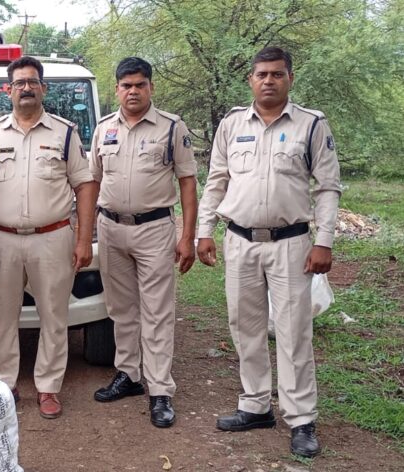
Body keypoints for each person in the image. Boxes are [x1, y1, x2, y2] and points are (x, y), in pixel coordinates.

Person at [197, 46, 341, 458]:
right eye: (261, 74)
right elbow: (217, 180)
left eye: (277, 74)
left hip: (291, 244)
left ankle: (301, 419)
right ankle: (255, 405)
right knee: (245, 326)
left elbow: (327, 187)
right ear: (251, 80)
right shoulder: (231, 124)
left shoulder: (311, 124)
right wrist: (204, 232)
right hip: (239, 241)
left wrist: (324, 240)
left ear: (290, 78)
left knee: (294, 332)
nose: (268, 81)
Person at [0, 56, 97, 419]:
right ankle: (4, 383)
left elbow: (85, 185)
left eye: (33, 82)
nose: (26, 88)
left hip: (53, 237)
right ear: (9, 90)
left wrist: (83, 239)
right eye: (19, 83)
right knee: (2, 316)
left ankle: (48, 387)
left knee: (54, 315)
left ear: (43, 88)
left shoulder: (65, 133)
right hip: (2, 238)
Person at [89, 57, 197, 428]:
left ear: (151, 87)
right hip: (111, 227)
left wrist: (187, 236)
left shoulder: (171, 127)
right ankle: (129, 374)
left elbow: (187, 182)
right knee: (121, 309)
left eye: (139, 85)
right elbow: (93, 181)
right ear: (117, 89)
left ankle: (160, 389)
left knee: (156, 311)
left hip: (154, 229)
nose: (132, 91)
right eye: (126, 85)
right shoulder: (104, 128)